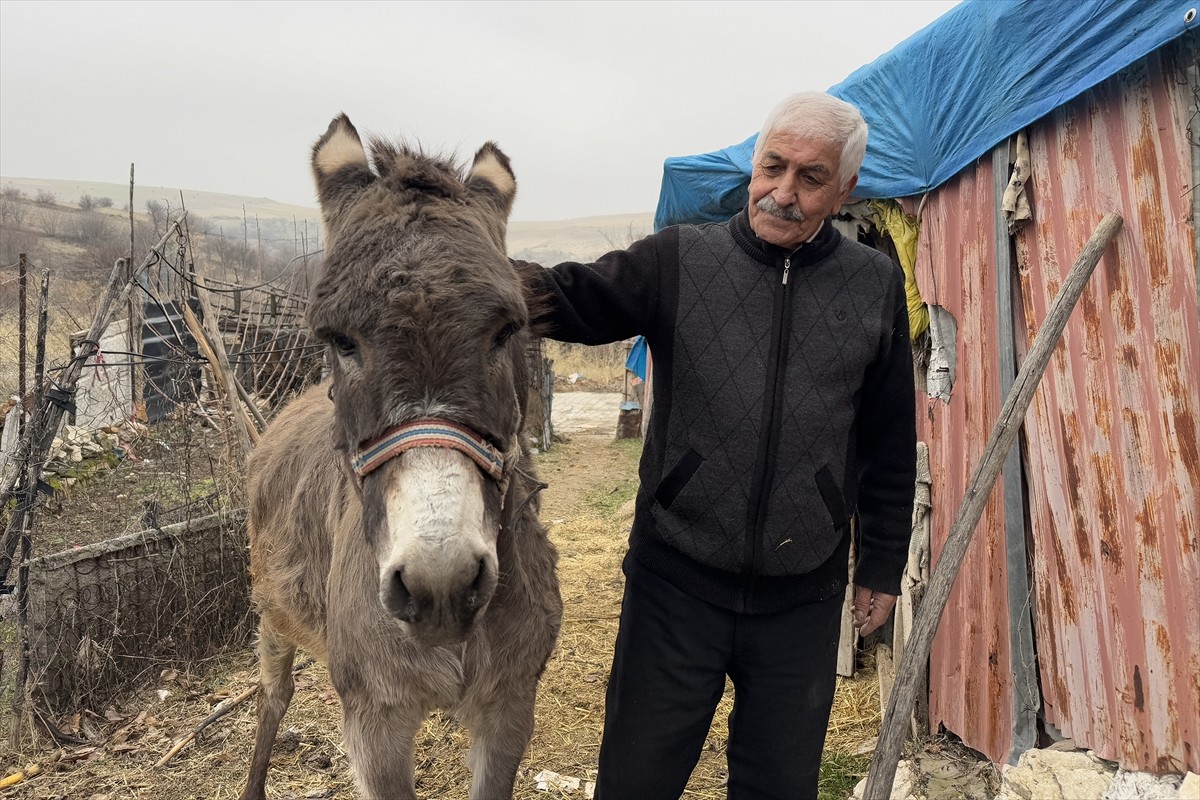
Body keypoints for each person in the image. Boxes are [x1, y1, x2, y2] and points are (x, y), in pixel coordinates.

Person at [526, 91, 917, 800]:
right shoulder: (681, 259)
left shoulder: (874, 286)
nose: (784, 193)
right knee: (636, 782)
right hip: (675, 580)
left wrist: (884, 566)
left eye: (811, 178)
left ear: (845, 190)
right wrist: (464, 276)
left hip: (802, 596)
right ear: (753, 167)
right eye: (773, 168)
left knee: (778, 787)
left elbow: (890, 439)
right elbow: (573, 296)